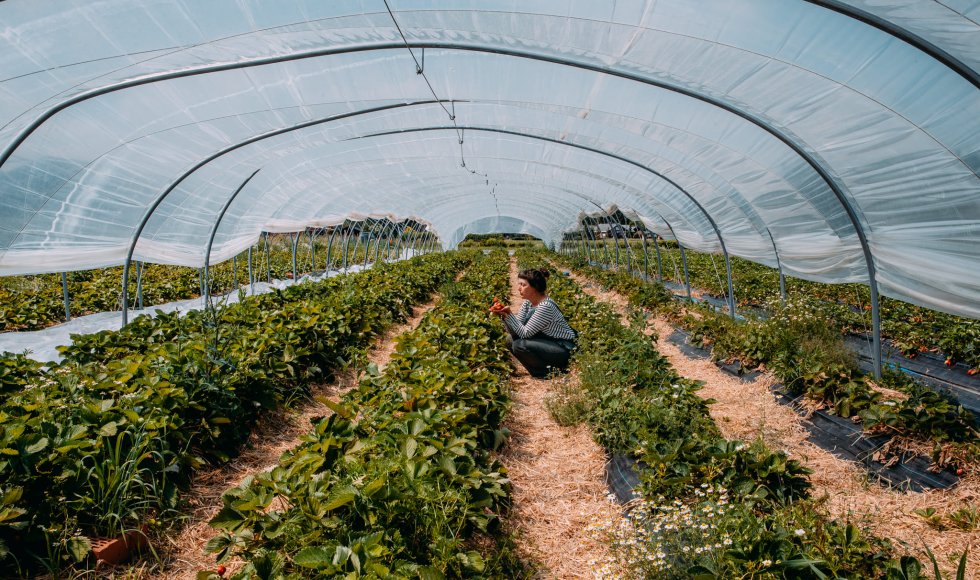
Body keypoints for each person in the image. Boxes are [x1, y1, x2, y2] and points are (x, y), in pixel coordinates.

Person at [490, 268, 577, 378]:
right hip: (548, 343)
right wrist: (505, 316)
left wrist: (510, 314)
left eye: (523, 285)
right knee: (510, 340)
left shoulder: (545, 306)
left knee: (519, 345)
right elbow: (516, 332)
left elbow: (525, 334)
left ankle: (546, 373)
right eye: (519, 284)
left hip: (562, 348)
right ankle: (541, 369)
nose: (519, 288)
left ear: (535, 287)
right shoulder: (528, 303)